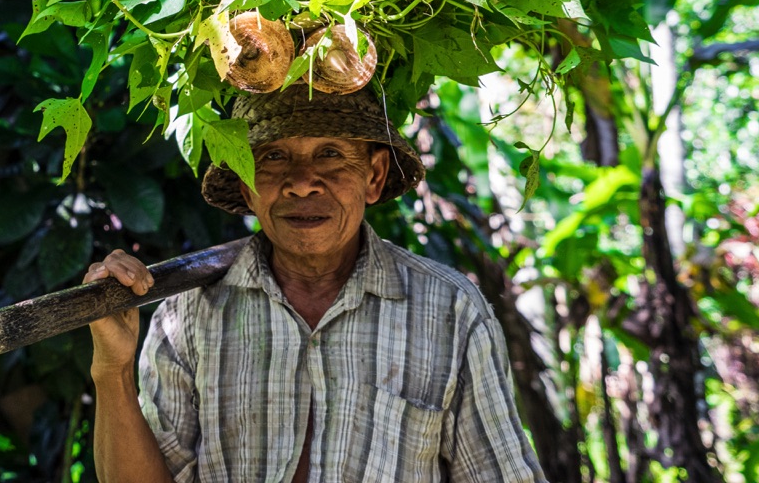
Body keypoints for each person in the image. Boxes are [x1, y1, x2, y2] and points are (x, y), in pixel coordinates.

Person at [84, 85, 548, 483]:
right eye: (273, 157)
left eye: (330, 154)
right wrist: (113, 369)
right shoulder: (189, 312)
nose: (302, 183)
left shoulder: (449, 310)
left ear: (374, 175)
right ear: (247, 187)